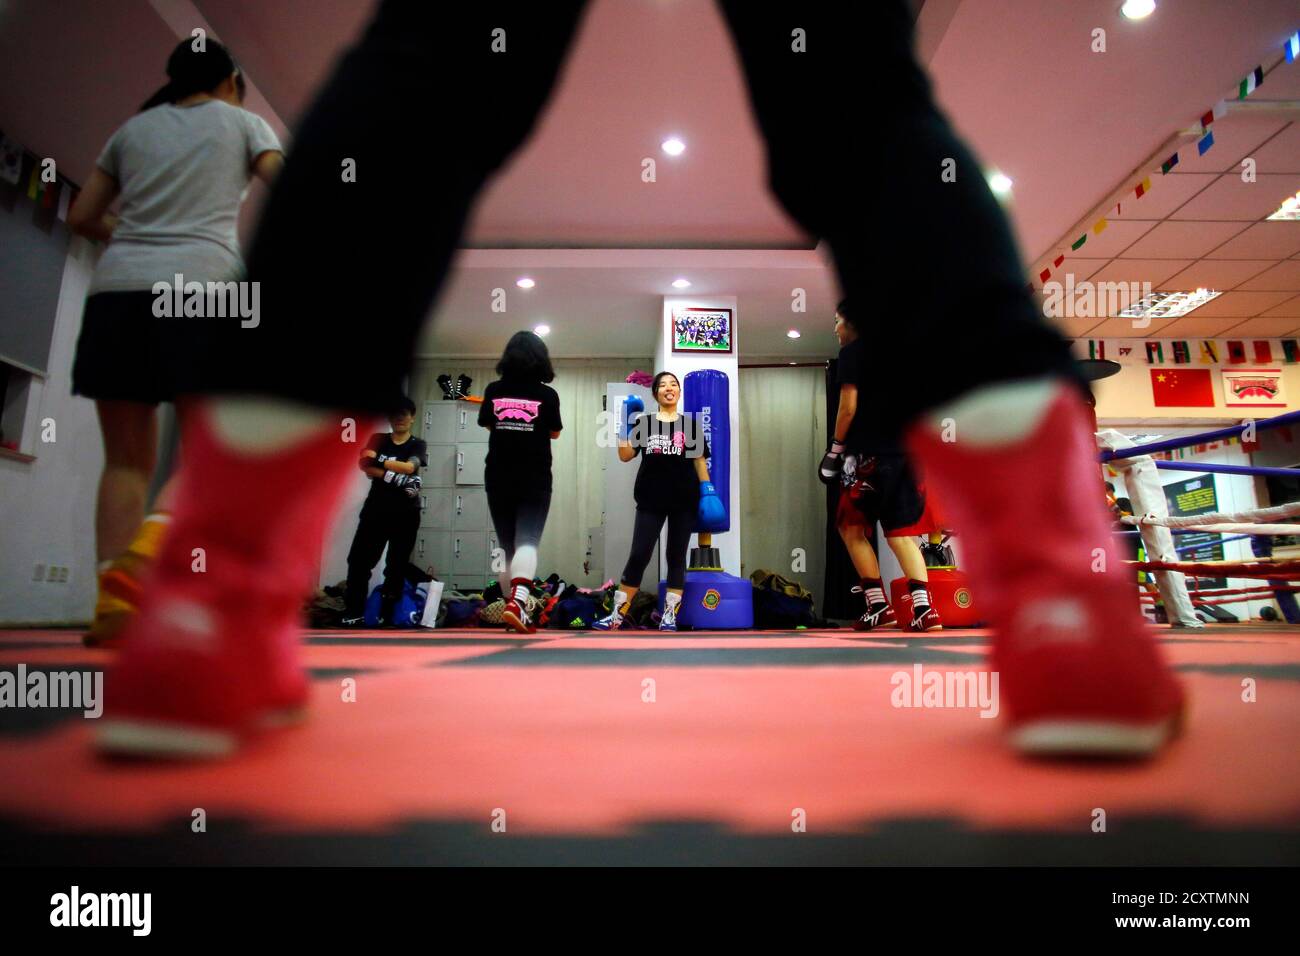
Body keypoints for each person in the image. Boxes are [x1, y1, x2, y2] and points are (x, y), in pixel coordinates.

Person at [98, 1, 1181, 759]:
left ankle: (212, 602)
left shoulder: (641, 408)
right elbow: (610, 444)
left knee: (428, 70)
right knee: (855, 91)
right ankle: (1059, 604)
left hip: (629, 479)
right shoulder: (617, 404)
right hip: (621, 481)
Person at [66, 37, 283, 647]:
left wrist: (140, 237)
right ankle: (147, 555)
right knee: (208, 453)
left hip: (119, 292)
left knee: (126, 459)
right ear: (231, 81)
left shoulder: (132, 131)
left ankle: (114, 599)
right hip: (207, 290)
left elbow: (82, 217)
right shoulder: (244, 124)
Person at [820, 301, 941, 632]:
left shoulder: (853, 353)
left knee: (850, 527)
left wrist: (835, 450)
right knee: (901, 534)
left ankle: (877, 604)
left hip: (867, 454)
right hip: (907, 453)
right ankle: (924, 611)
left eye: (838, 321)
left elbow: (848, 407)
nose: (835, 329)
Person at [594, 373, 725, 631]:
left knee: (675, 557)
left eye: (673, 385)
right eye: (663, 385)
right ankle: (617, 616)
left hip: (684, 500)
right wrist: (624, 422)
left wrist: (708, 492)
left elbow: (699, 461)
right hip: (650, 498)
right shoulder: (645, 423)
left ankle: (669, 616)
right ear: (655, 394)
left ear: (678, 393)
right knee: (639, 555)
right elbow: (624, 455)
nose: (669, 388)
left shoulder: (690, 426)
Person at [477, 331, 563, 633]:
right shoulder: (548, 395)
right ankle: (519, 603)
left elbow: (489, 424)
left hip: (499, 474)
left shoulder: (493, 389)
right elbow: (554, 432)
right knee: (528, 540)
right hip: (534, 475)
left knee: (507, 545)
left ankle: (510, 606)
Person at [341, 397, 427, 627]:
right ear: (389, 418)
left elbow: (410, 467)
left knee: (396, 565)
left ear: (412, 417)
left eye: (405, 414)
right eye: (395, 414)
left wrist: (379, 460)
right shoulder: (378, 438)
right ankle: (354, 612)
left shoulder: (417, 444)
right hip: (376, 510)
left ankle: (387, 615)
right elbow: (364, 466)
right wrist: (397, 477)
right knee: (359, 561)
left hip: (406, 513)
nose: (400, 418)